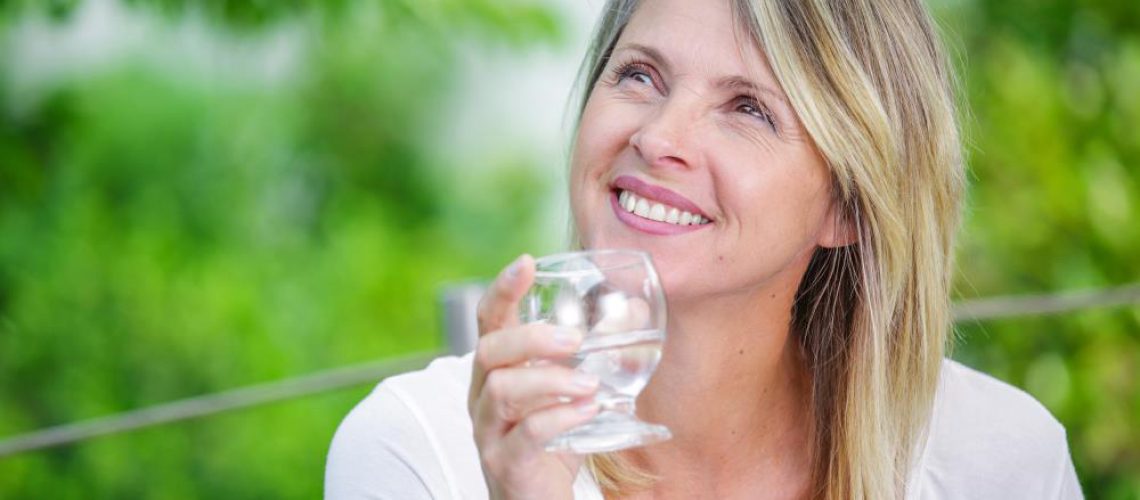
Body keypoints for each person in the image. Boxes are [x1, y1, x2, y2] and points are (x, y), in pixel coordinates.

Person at [325, 0, 1084, 498]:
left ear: (849, 206)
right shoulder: (419, 451)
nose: (658, 138)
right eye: (639, 74)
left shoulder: (1000, 460)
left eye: (747, 109)